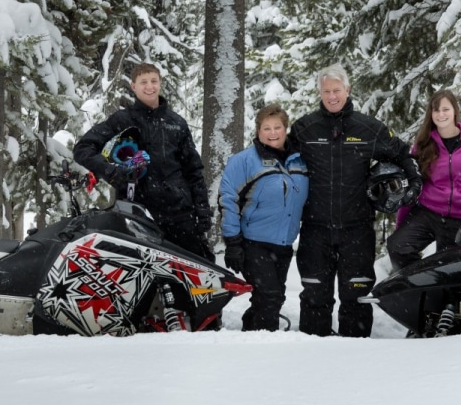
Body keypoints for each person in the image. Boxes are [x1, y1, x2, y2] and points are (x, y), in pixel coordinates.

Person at [289, 63, 421, 338]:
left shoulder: (368, 128)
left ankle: (356, 358)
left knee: (357, 294)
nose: (332, 96)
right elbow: (277, 155)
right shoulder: (305, 128)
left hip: (357, 227)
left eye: (337, 90)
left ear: (347, 90)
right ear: (320, 93)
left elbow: (402, 153)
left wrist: (413, 183)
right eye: (326, 91)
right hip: (315, 227)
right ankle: (312, 354)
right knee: (315, 294)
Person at [73, 62, 215, 261]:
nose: (150, 87)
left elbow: (194, 170)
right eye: (144, 82)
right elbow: (83, 149)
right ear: (133, 86)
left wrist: (202, 210)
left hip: (180, 213)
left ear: (160, 83)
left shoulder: (176, 123)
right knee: (140, 280)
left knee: (193, 276)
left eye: (154, 81)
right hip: (137, 214)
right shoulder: (121, 120)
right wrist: (111, 171)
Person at [387, 89, 461, 270]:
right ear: (431, 114)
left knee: (450, 270)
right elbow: (412, 184)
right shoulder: (424, 144)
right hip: (427, 214)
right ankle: (422, 287)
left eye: (445, 109)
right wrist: (401, 226)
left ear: (455, 111)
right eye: (436, 110)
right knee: (398, 247)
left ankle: (442, 293)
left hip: (460, 218)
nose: (441, 114)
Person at [218, 103, 309, 331]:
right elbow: (228, 200)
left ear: (285, 129)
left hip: (284, 244)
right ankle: (263, 348)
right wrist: (233, 242)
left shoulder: (299, 161)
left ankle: (250, 337)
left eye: (277, 127)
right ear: (258, 131)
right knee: (269, 297)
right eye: (266, 128)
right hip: (254, 243)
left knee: (273, 298)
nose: (272, 133)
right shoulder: (244, 161)